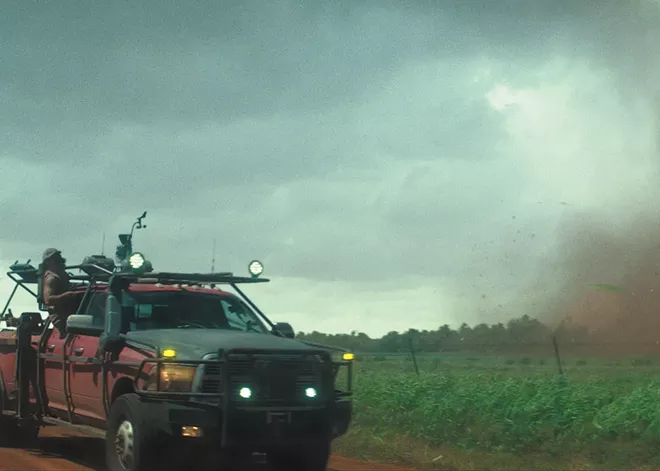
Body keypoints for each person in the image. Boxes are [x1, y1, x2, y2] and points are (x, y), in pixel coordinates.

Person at [41, 248, 80, 338]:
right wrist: (66, 296)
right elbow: (48, 300)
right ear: (48, 262)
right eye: (55, 258)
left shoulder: (62, 275)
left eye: (59, 256)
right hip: (61, 318)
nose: (59, 259)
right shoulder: (51, 279)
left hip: (71, 314)